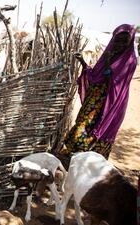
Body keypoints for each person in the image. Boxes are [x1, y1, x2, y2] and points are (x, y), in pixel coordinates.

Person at [58, 24, 137, 165]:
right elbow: (95, 75)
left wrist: (107, 62)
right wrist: (83, 61)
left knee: (98, 129)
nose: (119, 44)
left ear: (129, 42)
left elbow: (112, 81)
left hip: (110, 103)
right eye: (117, 40)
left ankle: (90, 163)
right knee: (83, 124)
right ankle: (74, 157)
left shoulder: (129, 61)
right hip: (94, 100)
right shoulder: (107, 54)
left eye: (123, 41)